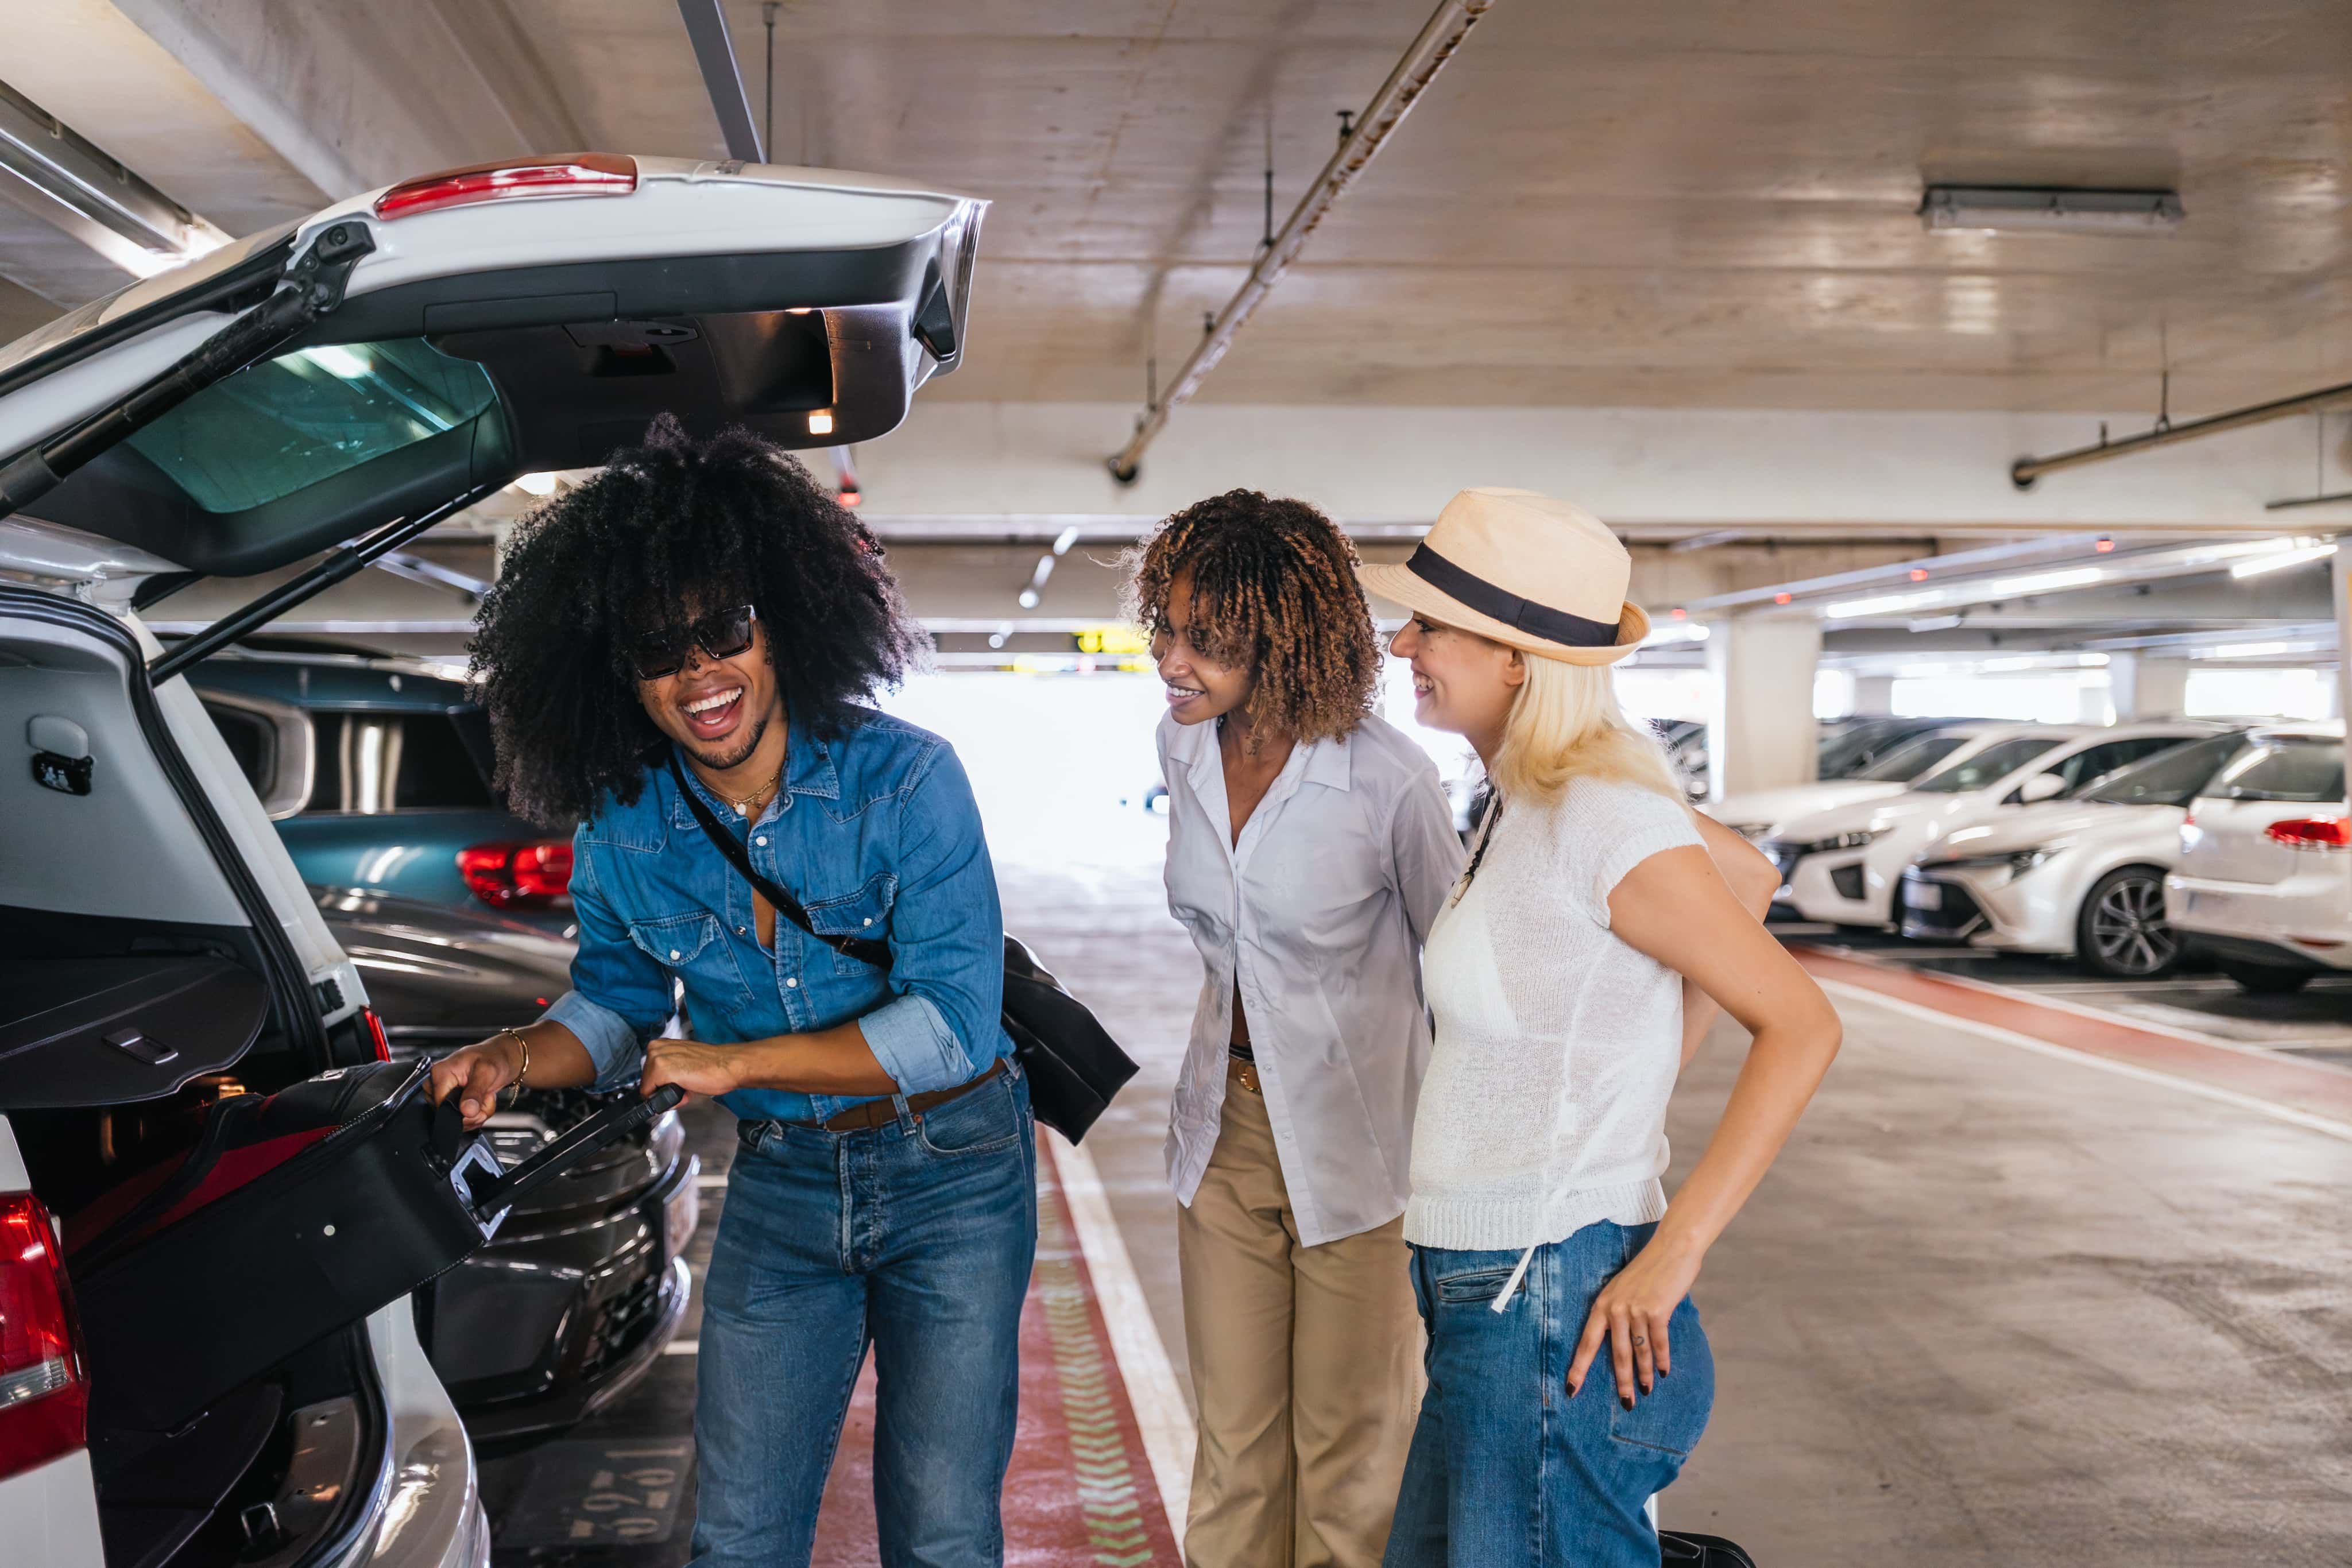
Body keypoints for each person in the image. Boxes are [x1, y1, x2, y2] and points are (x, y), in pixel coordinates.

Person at [428, 419, 1033, 1568]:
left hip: (952, 1170)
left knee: (942, 1530)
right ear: (620, 673)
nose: (701, 672)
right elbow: (615, 1011)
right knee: (738, 1536)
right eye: (661, 648)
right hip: (785, 1181)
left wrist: (736, 1064)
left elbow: (954, 1027)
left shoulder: (907, 781)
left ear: (782, 623)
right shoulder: (624, 828)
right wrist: (511, 1055)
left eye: (726, 629)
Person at [1357, 488, 1838, 1568]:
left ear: (1517, 659)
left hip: (1544, 1292)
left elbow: (1802, 1024)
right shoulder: (1534, 797)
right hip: (1492, 1292)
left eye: (1431, 625)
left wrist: (1675, 1253)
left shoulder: (1599, 814)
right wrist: (1625, 1074)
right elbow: (1747, 877)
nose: (1402, 645)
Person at [1124, 490, 1464, 1568]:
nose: (1172, 660)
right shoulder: (1183, 750)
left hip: (1362, 1155)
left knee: (1350, 1461)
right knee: (1236, 1453)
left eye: (1204, 640)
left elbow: (1460, 975)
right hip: (1223, 1135)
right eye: (1166, 629)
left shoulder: (1389, 782)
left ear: (1283, 639)